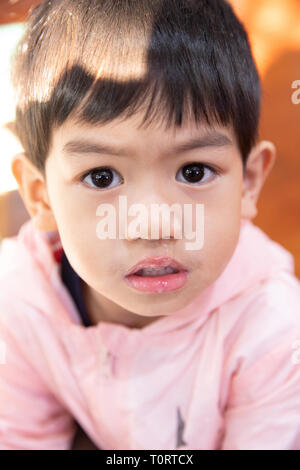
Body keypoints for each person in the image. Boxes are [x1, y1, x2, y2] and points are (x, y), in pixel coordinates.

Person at [0, 0, 300, 450]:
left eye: (194, 172)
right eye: (102, 177)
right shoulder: (21, 301)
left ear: (248, 183)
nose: (154, 225)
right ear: (41, 196)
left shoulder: (274, 330)